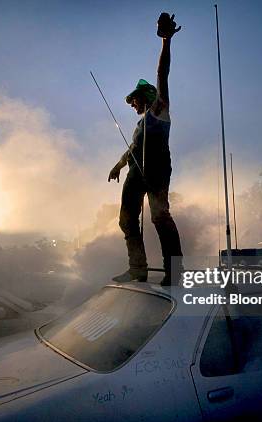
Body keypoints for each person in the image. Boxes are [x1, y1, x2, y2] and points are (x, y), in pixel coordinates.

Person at [108, 13, 183, 286]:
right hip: (136, 174)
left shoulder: (159, 111)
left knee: (160, 216)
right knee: (127, 219)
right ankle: (137, 268)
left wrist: (166, 41)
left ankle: (175, 270)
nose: (132, 104)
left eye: (135, 100)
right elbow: (133, 148)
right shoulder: (140, 125)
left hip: (158, 171)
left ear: (147, 98)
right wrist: (118, 165)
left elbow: (162, 74)